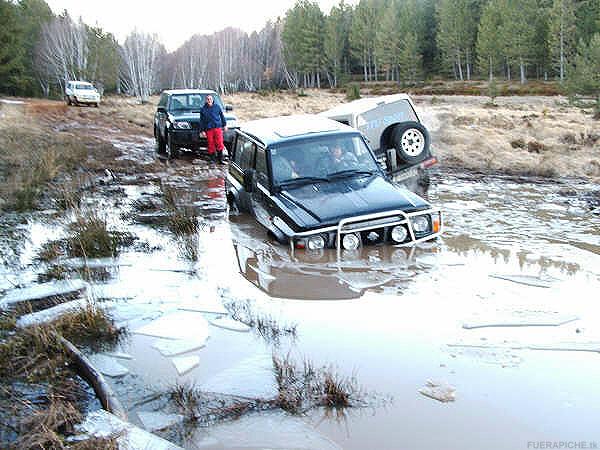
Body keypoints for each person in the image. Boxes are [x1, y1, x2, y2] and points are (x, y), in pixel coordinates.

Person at [199, 95, 227, 164]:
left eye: (210, 99)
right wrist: (202, 131)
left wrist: (224, 125)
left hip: (217, 128)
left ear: (212, 100)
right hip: (209, 129)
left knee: (219, 143)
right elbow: (201, 121)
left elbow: (222, 116)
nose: (209, 100)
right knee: (210, 143)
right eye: (208, 99)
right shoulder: (203, 109)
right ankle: (212, 159)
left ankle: (220, 159)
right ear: (206, 100)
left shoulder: (217, 107)